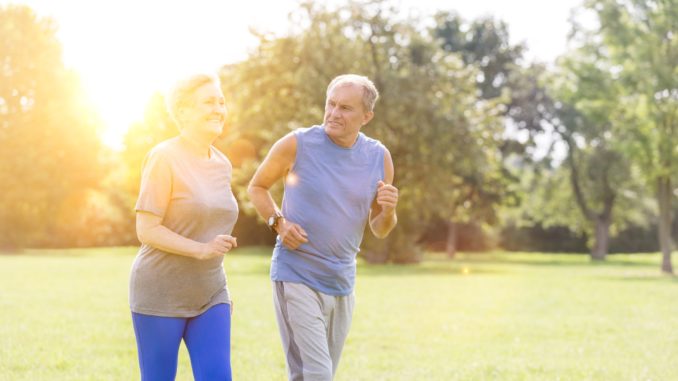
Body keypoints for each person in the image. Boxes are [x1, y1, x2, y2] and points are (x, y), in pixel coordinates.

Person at [247, 74, 399, 380]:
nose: (333, 113)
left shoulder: (378, 158)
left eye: (345, 108)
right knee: (318, 374)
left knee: (313, 374)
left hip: (342, 282)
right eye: (330, 104)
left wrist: (389, 210)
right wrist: (279, 223)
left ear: (366, 116)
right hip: (296, 273)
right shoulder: (297, 144)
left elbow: (380, 228)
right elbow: (257, 187)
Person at [129, 73, 238, 381]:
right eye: (209, 102)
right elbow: (147, 229)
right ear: (184, 110)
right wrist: (201, 250)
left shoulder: (223, 163)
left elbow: (211, 230)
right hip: (160, 291)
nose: (218, 109)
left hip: (211, 292)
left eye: (221, 101)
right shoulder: (164, 157)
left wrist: (215, 268)